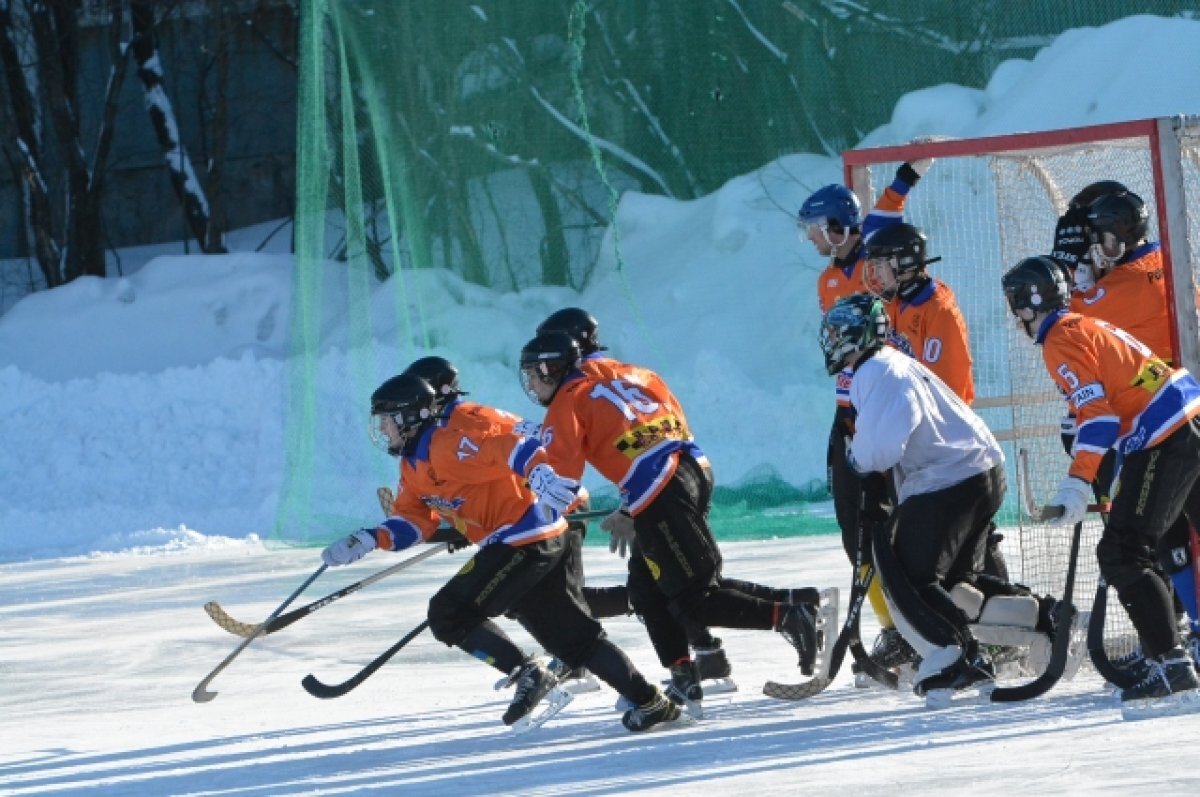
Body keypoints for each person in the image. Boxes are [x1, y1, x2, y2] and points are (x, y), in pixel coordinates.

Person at [322, 370, 683, 733]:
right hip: (526, 540)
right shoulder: (412, 464)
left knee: (448, 612)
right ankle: (651, 701)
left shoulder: (450, 443)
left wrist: (541, 476)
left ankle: (528, 672)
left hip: (526, 537)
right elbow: (415, 523)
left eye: (387, 421)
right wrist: (370, 539)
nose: (383, 430)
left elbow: (515, 446)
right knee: (571, 637)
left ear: (408, 416)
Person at [517, 330, 823, 701]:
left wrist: (527, 485)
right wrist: (633, 504)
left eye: (534, 373)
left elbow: (563, 486)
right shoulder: (634, 373)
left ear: (553, 367)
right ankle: (685, 671)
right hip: (692, 469)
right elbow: (666, 430)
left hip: (659, 489)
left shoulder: (568, 398)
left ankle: (790, 615)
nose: (531, 383)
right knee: (647, 590)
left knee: (692, 596)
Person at [819, 293, 1054, 699]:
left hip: (952, 479)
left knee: (910, 577)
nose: (831, 339)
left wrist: (856, 459)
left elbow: (882, 447)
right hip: (976, 472)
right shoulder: (888, 364)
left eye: (838, 332)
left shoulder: (877, 371)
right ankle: (1048, 621)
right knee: (955, 584)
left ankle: (953, 657)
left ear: (857, 335)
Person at [1001, 255, 1200, 706]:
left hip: (1166, 434)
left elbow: (1101, 420)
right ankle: (1170, 657)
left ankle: (1172, 666)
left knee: (1121, 551)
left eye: (1015, 303)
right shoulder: (1081, 325)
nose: (1014, 316)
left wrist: (1075, 483)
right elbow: (1103, 399)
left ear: (1032, 302)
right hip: (1186, 419)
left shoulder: (1059, 340)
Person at [1056, 186, 1200, 669]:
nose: (1097, 250)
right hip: (1174, 409)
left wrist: (1065, 267)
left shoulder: (1122, 289)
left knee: (1162, 537)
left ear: (1120, 237)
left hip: (1166, 421)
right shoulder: (1157, 263)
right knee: (1171, 534)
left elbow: (1064, 322)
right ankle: (1188, 629)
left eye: (1100, 239)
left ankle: (1189, 632)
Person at [798, 160, 931, 677]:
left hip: (888, 405)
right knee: (854, 530)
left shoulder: (872, 260)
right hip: (848, 408)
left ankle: (928, 624)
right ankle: (895, 631)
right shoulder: (827, 280)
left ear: (837, 227)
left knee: (905, 524)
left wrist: (907, 174)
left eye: (816, 229)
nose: (811, 240)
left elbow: (882, 214)